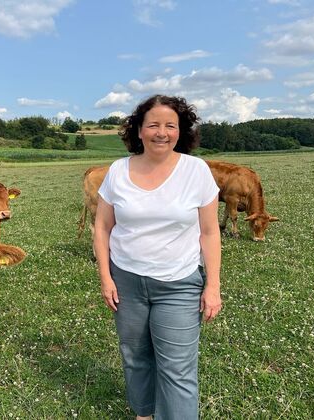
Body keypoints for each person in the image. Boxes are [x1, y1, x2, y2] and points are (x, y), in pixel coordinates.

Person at [94, 94, 222, 420]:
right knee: (135, 355)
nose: (161, 132)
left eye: (170, 125)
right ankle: (144, 413)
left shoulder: (196, 171)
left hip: (179, 283)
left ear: (181, 131)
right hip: (126, 281)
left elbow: (209, 233)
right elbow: (102, 227)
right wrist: (106, 277)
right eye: (153, 125)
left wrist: (213, 286)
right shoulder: (118, 171)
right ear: (139, 130)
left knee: (177, 368)